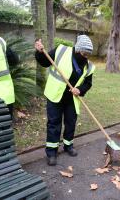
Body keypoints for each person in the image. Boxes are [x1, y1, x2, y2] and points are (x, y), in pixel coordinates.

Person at [34, 35, 95, 166]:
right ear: (77, 49)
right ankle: (51, 152)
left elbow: (88, 83)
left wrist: (79, 89)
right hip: (55, 94)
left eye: (88, 54)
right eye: (84, 53)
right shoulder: (60, 51)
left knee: (70, 122)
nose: (86, 56)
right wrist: (39, 52)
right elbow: (44, 62)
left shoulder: (89, 66)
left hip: (72, 99)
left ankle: (68, 145)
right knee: (54, 123)